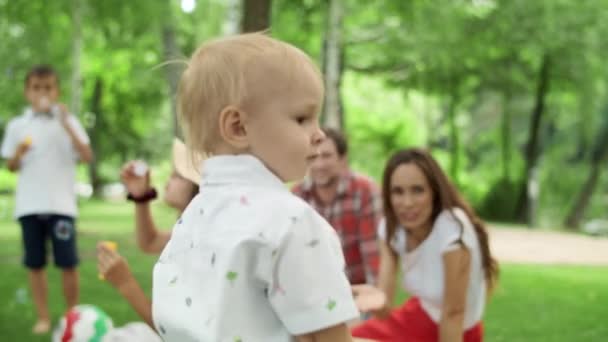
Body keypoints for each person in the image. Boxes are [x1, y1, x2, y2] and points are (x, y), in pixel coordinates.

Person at [152, 32, 363, 342]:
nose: (318, 134)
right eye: (302, 118)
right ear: (238, 127)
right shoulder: (291, 222)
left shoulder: (194, 217)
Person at [351, 148, 499, 342]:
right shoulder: (390, 228)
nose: (407, 203)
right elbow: (385, 310)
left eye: (417, 190)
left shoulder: (452, 226)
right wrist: (374, 298)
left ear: (434, 192)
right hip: (420, 313)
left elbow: (454, 313)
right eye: (398, 192)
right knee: (343, 338)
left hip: (458, 329)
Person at [0, 64, 93, 334]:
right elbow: (11, 166)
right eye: (36, 88)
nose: (42, 93)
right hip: (29, 206)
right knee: (35, 264)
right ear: (27, 92)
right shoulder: (19, 125)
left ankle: (71, 317)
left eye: (48, 88)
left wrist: (67, 124)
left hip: (61, 207)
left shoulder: (69, 122)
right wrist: (18, 153)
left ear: (56, 91)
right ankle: (42, 316)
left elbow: (87, 157)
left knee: (68, 263)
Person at [97, 138, 202, 328]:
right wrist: (140, 197)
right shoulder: (191, 232)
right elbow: (150, 241)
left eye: (177, 175)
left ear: (198, 188)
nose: (168, 180)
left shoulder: (201, 244)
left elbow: (174, 333)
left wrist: (125, 282)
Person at [292, 127, 382, 285]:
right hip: (315, 291)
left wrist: (374, 301)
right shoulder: (297, 197)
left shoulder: (365, 191)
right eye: (314, 157)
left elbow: (373, 254)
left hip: (357, 291)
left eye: (326, 156)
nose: (319, 165)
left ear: (343, 159)